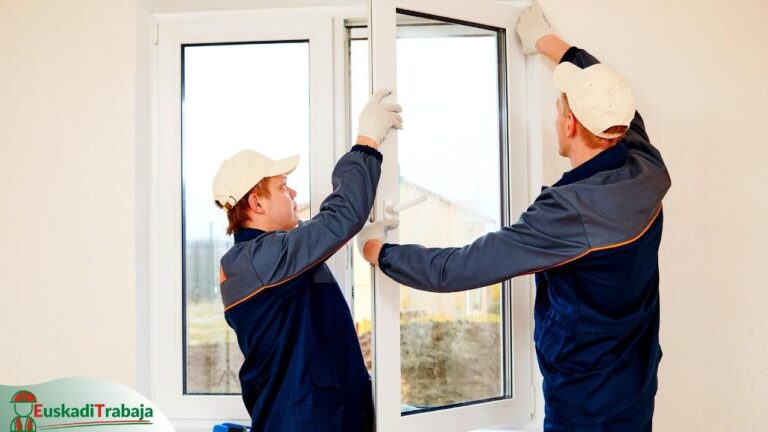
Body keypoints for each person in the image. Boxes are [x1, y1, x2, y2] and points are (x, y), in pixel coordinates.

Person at [357, 3, 671, 431]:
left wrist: (381, 252)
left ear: (570, 125)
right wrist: (548, 42)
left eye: (560, 109)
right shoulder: (644, 164)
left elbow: (459, 268)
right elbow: (614, 95)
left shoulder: (569, 214)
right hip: (634, 389)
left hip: (585, 408)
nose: (556, 115)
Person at [214, 89, 402, 432]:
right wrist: (366, 142)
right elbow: (338, 219)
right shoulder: (259, 260)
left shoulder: (262, 258)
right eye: (284, 187)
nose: (295, 194)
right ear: (257, 203)